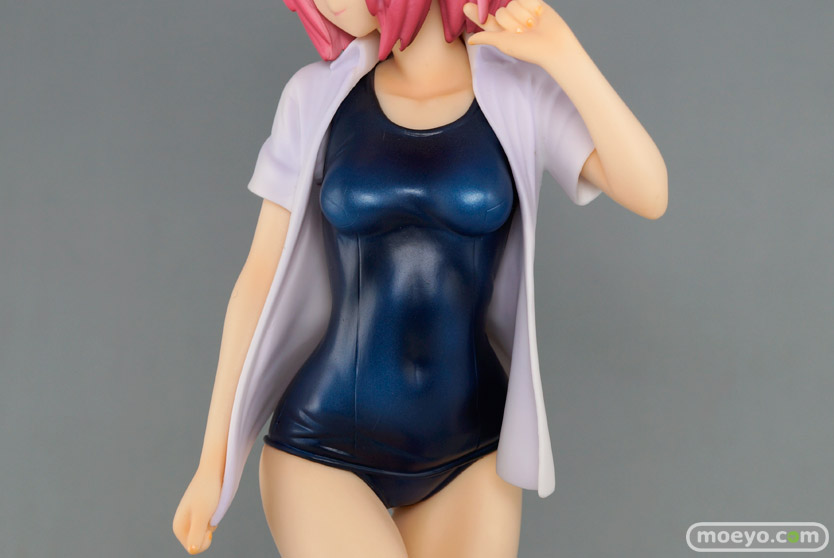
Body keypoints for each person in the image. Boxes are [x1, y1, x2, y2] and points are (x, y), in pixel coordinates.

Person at [173, 0, 667, 555]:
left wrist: (564, 54)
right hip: (322, 443)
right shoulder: (315, 96)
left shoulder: (518, 91)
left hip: (470, 448)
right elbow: (258, 279)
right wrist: (212, 463)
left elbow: (649, 192)